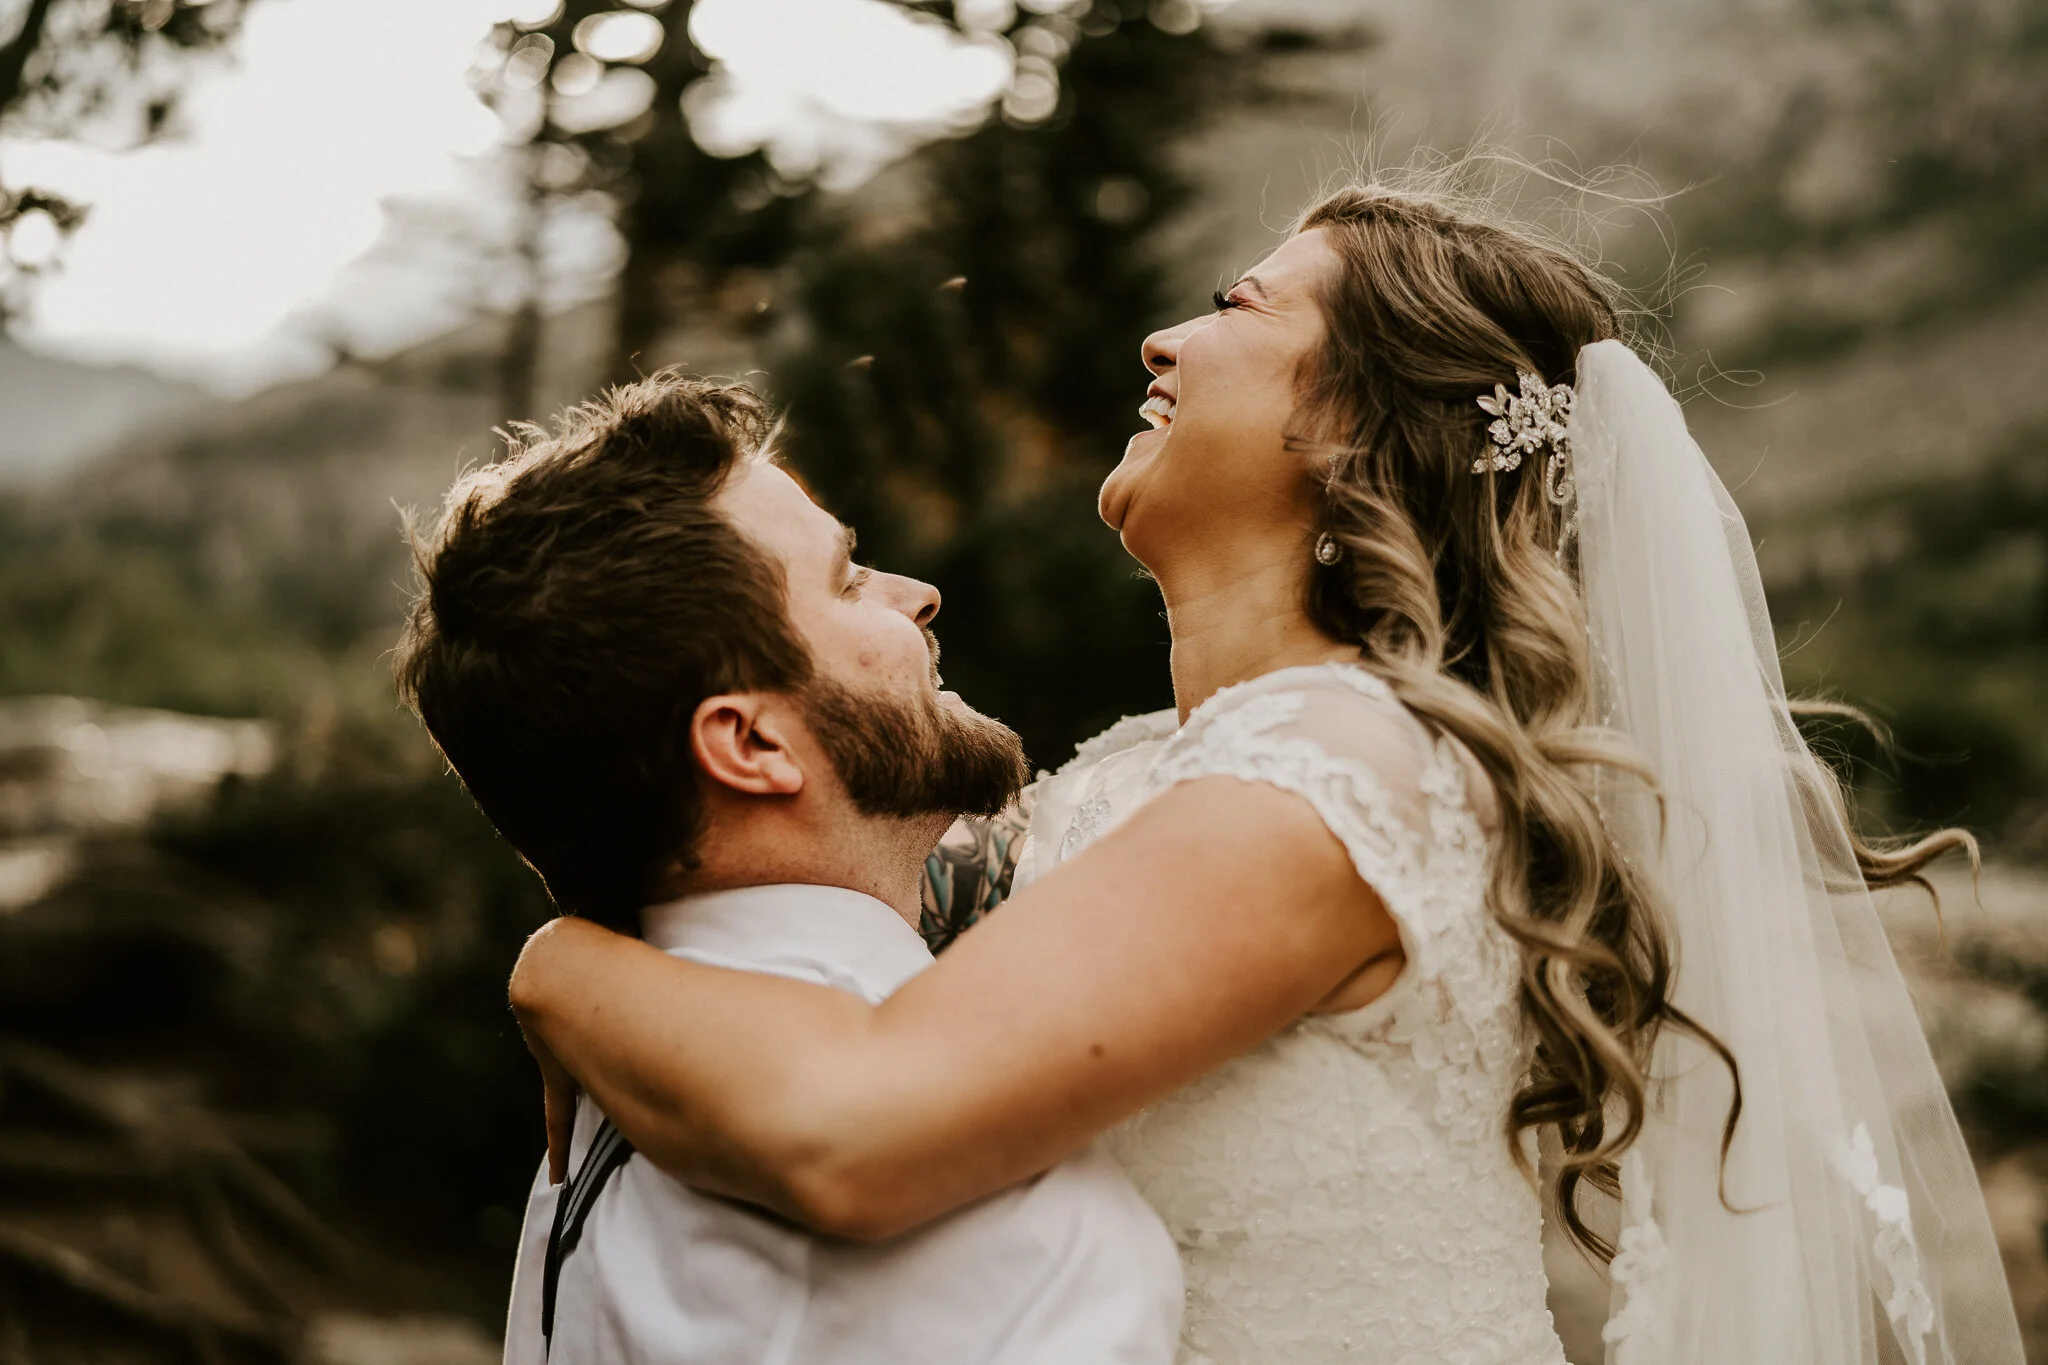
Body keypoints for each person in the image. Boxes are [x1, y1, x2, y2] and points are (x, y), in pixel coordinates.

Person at [505, 178, 2026, 1365]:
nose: (1161, 340)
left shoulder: (1339, 770)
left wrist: (558, 971)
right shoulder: (1156, 774)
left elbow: (852, 1130)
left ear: (1354, 420)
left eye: (1236, 305)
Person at [392, 377, 1183, 1364]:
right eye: (849, 580)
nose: (916, 595)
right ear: (750, 745)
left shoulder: (631, 1085)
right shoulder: (964, 1195)